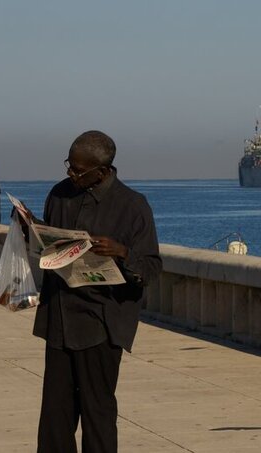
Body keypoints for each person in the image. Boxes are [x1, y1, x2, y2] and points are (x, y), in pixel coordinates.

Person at [34, 130, 162, 452]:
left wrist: (122, 252)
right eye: (69, 166)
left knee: (98, 412)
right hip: (60, 318)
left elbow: (150, 268)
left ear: (102, 171)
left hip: (102, 325)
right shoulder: (59, 195)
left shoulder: (133, 205)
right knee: (55, 415)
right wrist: (30, 231)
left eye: (78, 170)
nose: (70, 174)